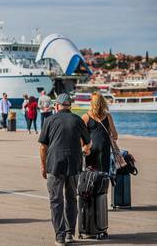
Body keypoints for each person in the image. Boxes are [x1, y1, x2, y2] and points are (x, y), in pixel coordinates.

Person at [38, 93, 91, 246]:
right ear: (70, 106)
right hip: (74, 164)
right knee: (71, 198)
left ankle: (60, 236)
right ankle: (69, 234)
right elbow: (87, 142)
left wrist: (43, 165)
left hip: (54, 164)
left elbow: (43, 146)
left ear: (57, 106)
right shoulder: (77, 119)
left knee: (56, 200)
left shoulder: (49, 120)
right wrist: (84, 149)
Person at [81, 92, 118, 172]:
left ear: (91, 103)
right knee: (103, 174)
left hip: (90, 149)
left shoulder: (85, 117)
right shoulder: (108, 116)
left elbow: (81, 136)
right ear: (102, 102)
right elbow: (115, 135)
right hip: (104, 148)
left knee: (89, 174)